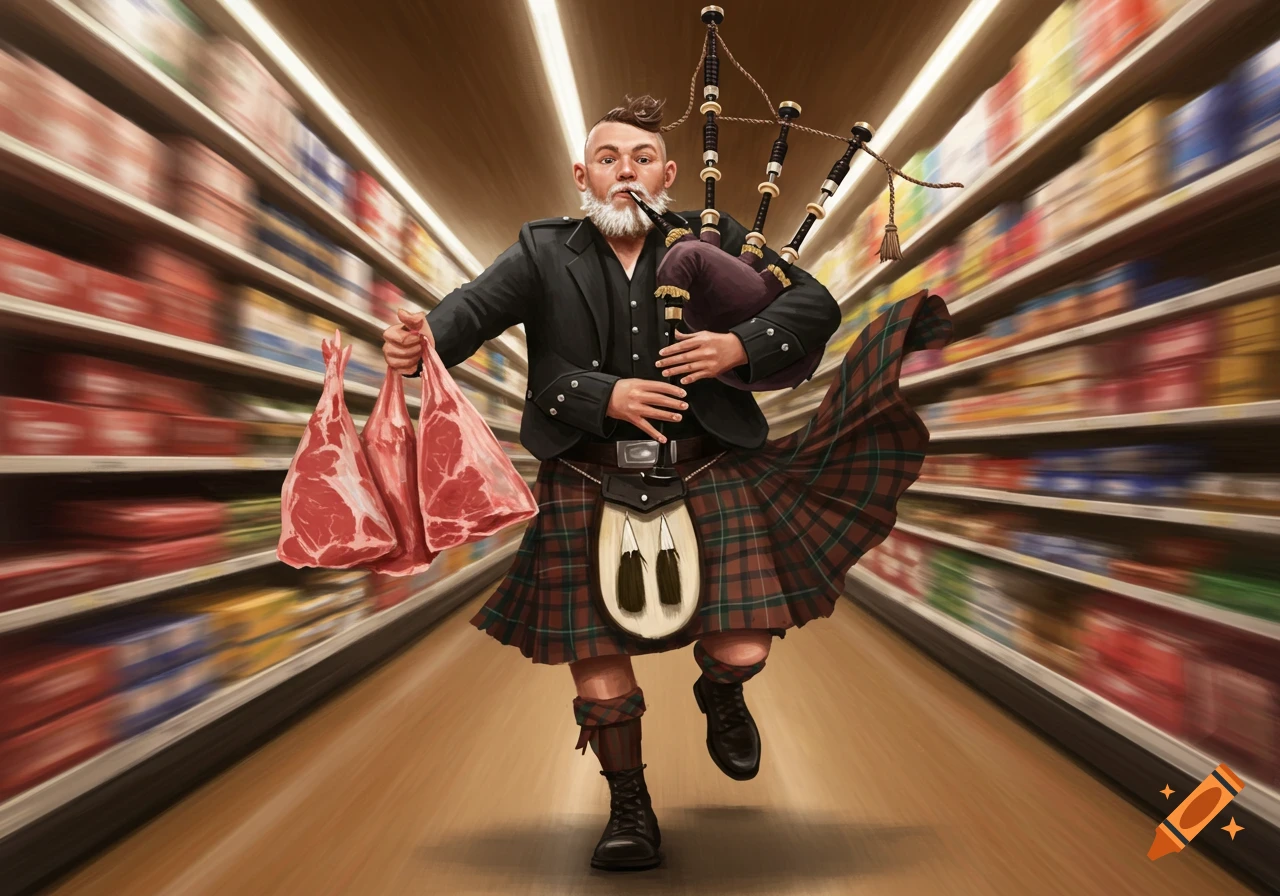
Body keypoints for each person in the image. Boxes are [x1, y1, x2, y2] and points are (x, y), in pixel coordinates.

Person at [382, 95, 950, 872]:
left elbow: (813, 303)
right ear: (582, 174)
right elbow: (471, 313)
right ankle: (630, 807)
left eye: (642, 159)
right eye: (609, 159)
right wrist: (422, 344)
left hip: (710, 461)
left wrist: (737, 346)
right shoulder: (542, 251)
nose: (626, 174)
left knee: (745, 639)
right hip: (588, 467)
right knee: (598, 656)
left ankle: (721, 691)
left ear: (668, 172)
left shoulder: (714, 239)